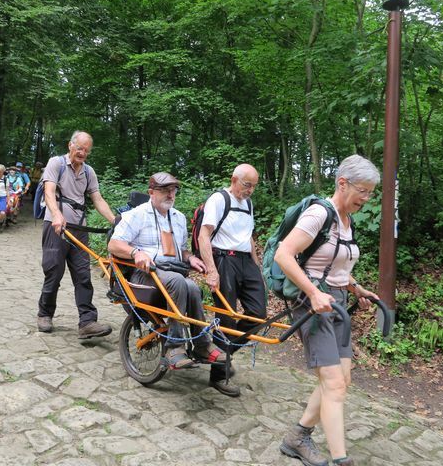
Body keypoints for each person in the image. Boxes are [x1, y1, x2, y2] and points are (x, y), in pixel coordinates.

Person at [274, 155, 381, 466]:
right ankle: (340, 460)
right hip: (311, 305)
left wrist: (355, 288)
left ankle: (297, 436)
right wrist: (313, 293)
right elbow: (284, 254)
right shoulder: (319, 214)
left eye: (371, 192)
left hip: (335, 302)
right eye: (363, 190)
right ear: (342, 183)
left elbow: (334, 266)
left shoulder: (346, 220)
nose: (367, 198)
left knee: (341, 380)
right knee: (333, 383)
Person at [108, 172, 227, 370]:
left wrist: (191, 258)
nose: (170, 195)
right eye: (164, 190)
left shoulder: (179, 218)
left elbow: (182, 249)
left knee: (193, 287)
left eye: (173, 190)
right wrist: (136, 252)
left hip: (171, 274)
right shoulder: (136, 215)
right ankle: (174, 347)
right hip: (144, 274)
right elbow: (113, 245)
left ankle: (202, 345)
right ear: (151, 192)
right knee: (179, 282)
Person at [37, 131, 116, 339]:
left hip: (79, 230)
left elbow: (97, 199)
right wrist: (56, 215)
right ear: (70, 145)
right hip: (55, 227)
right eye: (80, 148)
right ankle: (45, 313)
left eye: (86, 150)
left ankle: (87, 322)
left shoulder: (89, 172)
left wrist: (116, 222)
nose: (82, 153)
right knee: (53, 273)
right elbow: (49, 191)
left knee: (83, 275)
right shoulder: (56, 163)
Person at [197, 164, 267, 397]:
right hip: (224, 260)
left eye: (254, 186)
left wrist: (257, 269)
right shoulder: (218, 199)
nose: (250, 191)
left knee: (257, 315)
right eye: (247, 185)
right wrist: (211, 270)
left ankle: (220, 353)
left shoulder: (248, 204)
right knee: (225, 317)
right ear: (234, 179)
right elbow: (204, 235)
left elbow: (248, 238)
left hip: (246, 262)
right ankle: (219, 374)